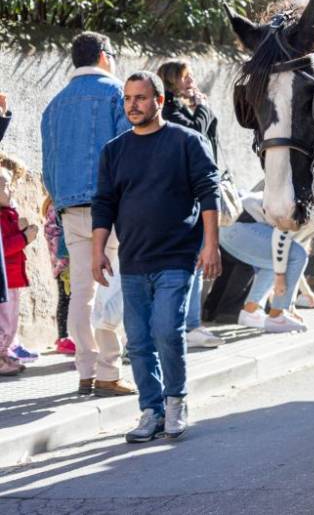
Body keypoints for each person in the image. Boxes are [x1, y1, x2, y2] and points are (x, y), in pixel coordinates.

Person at [91, 71, 221, 443]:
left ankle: (176, 401)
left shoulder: (186, 142)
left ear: (159, 101)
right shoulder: (114, 151)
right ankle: (151, 410)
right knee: (137, 341)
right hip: (133, 260)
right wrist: (98, 250)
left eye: (141, 98)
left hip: (177, 257)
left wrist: (210, 245)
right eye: (128, 98)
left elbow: (208, 193)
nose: (133, 105)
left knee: (166, 330)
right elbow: (103, 204)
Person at [41, 31, 134, 397]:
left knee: (82, 291)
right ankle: (109, 371)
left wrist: (61, 199)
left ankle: (85, 371)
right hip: (108, 207)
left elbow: (48, 166)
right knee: (111, 286)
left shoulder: (54, 105)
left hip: (70, 208)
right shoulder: (115, 94)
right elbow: (128, 152)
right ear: (103, 56)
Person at [157, 59, 223, 349]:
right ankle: (188, 325)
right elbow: (197, 132)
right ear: (172, 81)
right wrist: (203, 108)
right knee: (191, 261)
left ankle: (191, 324)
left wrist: (202, 109)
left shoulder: (181, 108)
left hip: (193, 190)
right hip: (181, 194)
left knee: (196, 260)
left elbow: (209, 136)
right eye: (185, 77)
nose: (191, 81)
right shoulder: (170, 111)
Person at [220, 192, 311, 333]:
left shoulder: (311, 214)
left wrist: (291, 304)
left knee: (277, 261)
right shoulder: (312, 210)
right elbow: (288, 251)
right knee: (295, 255)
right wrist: (285, 304)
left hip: (229, 231)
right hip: (239, 224)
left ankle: (250, 312)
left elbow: (290, 265)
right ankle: (277, 317)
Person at [0, 153, 37, 376]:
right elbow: (2, 248)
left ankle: (5, 355)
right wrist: (25, 238)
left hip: (13, 278)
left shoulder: (8, 213)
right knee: (4, 320)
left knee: (11, 319)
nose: (11, 189)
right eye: (5, 185)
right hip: (5, 280)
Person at [43, 196, 75, 356]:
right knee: (66, 299)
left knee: (70, 299)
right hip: (64, 264)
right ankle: (63, 337)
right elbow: (52, 234)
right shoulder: (55, 206)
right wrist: (63, 261)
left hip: (68, 262)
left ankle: (67, 336)